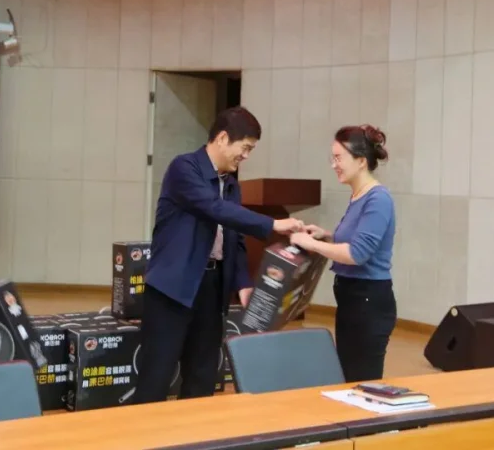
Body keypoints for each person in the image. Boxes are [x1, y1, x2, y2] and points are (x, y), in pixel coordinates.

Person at [134, 106, 304, 404]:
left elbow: (233, 237)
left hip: (212, 289)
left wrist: (243, 283)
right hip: (173, 288)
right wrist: (273, 225)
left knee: (202, 376)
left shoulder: (231, 183)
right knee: (156, 375)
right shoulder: (184, 168)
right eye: (245, 148)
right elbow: (214, 208)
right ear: (223, 138)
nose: (246, 156)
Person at [291, 124, 396, 383]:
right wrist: (325, 236)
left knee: (362, 382)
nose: (334, 165)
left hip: (368, 302)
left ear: (361, 161)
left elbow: (357, 253)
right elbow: (353, 241)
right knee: (349, 379)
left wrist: (311, 244)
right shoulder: (358, 196)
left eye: (339, 158)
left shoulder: (378, 199)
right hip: (352, 299)